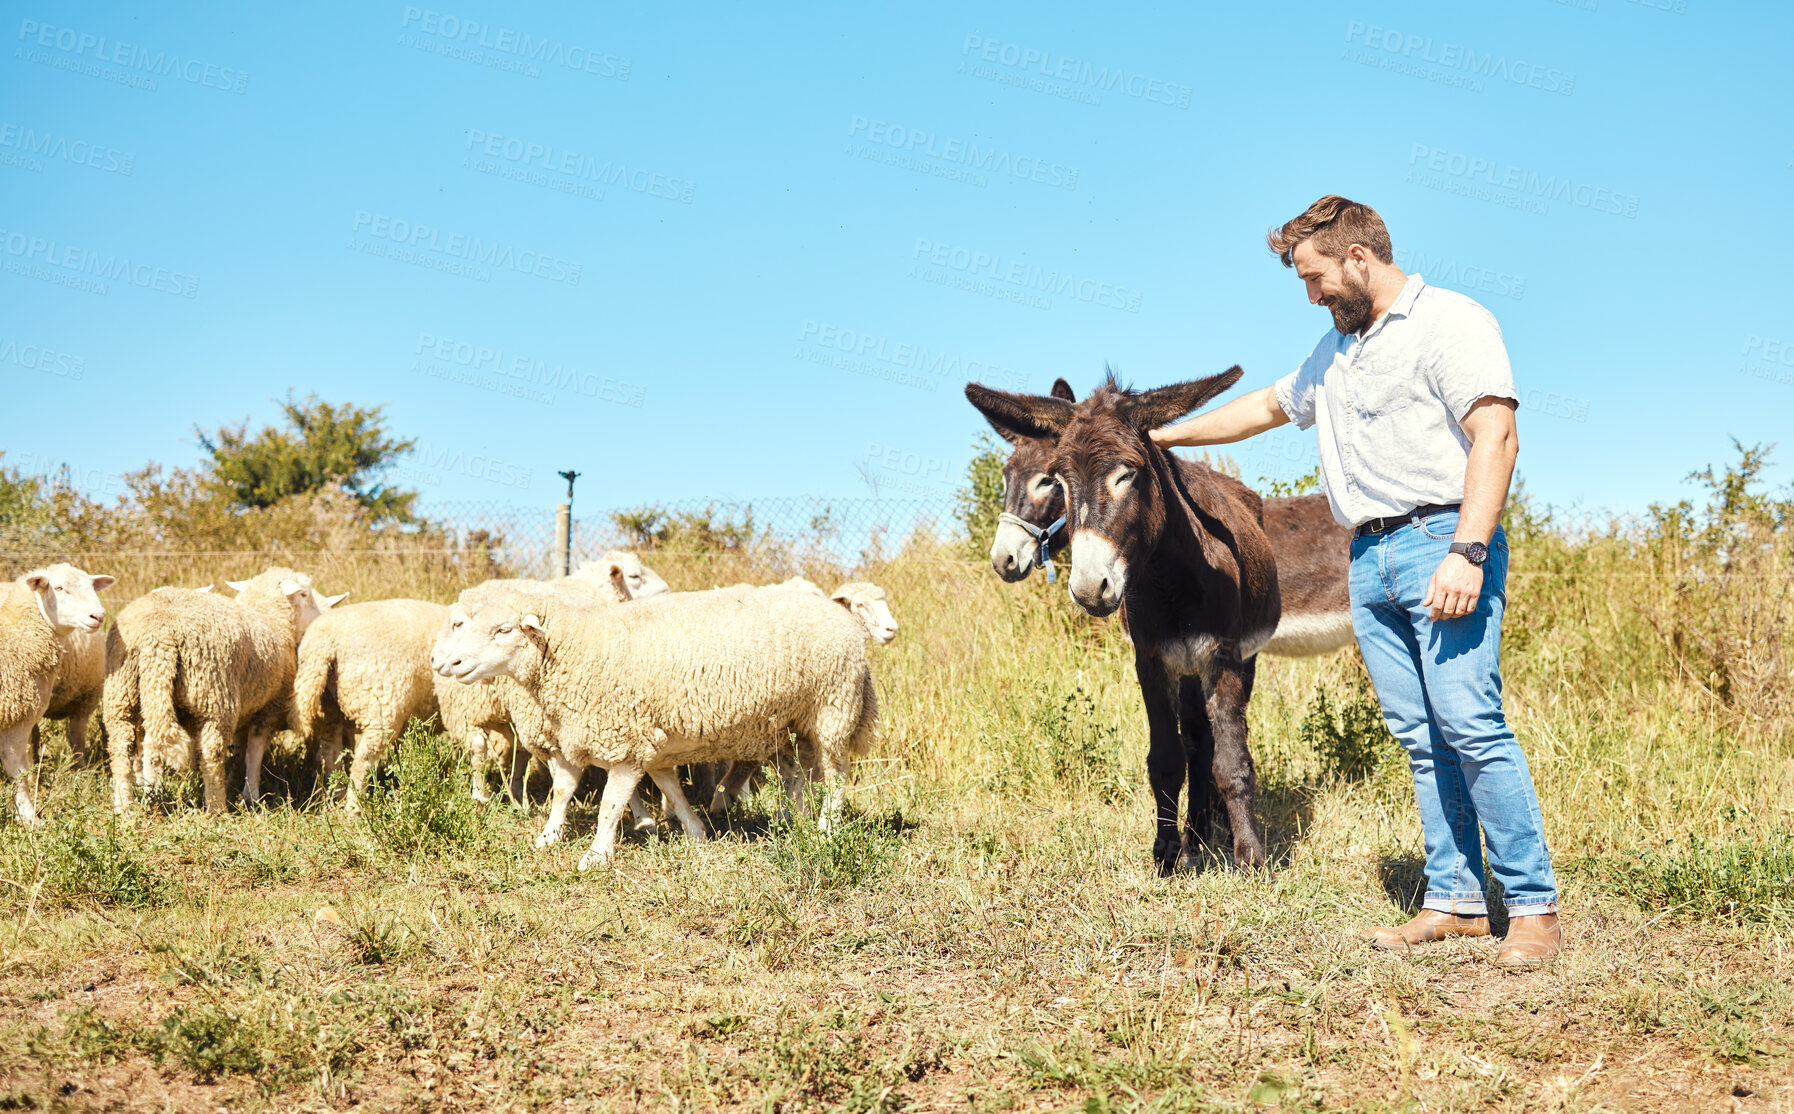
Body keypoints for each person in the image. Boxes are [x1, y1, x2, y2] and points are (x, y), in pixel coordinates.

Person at [1150, 195, 1560, 969]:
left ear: (1359, 259)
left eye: (1315, 278)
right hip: (1366, 558)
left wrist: (1468, 552)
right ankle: (1456, 901)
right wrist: (1157, 435)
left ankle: (1533, 907)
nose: (1311, 296)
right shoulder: (1336, 352)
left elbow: (1496, 435)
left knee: (1470, 723)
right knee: (1421, 738)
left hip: (1441, 537)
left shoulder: (1450, 322)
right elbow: (1264, 408)